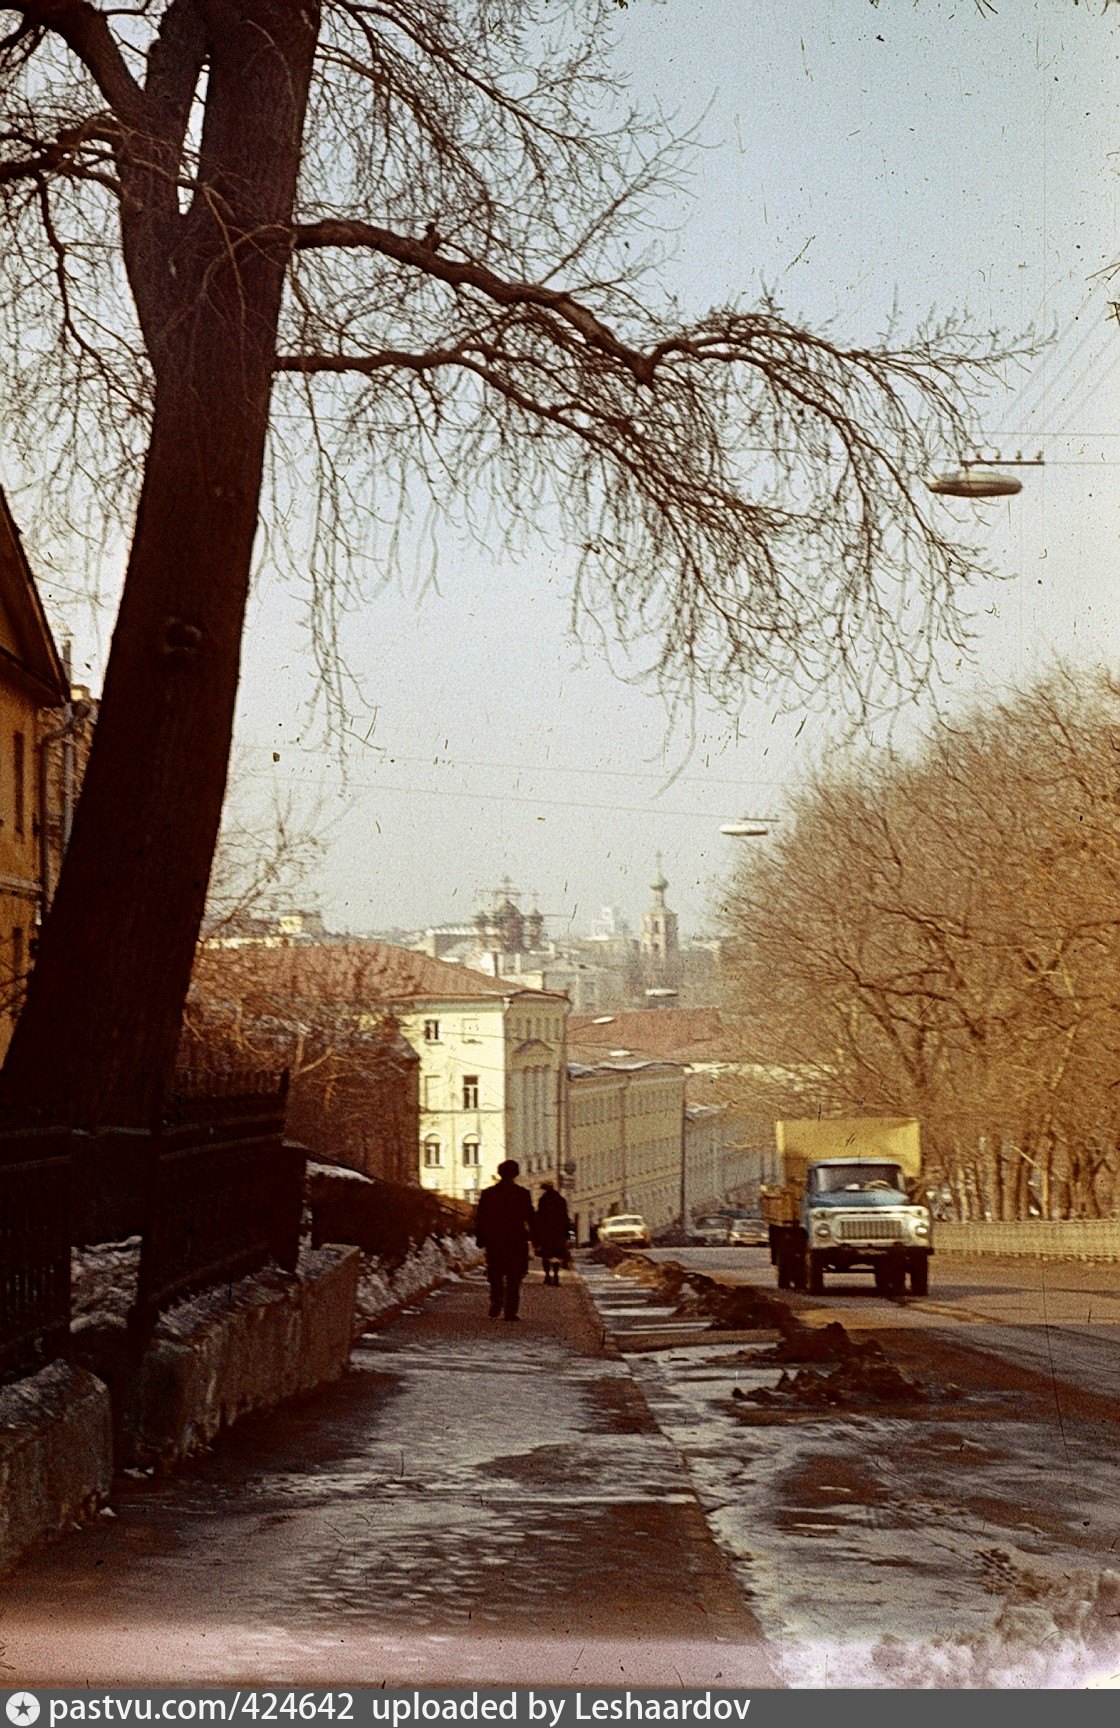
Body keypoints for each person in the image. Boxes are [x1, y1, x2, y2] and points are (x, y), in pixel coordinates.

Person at [474, 1158, 535, 1321]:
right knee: (515, 1277)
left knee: (495, 1273)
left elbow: (481, 1218)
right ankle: (511, 1311)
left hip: (495, 1240)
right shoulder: (523, 1194)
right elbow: (530, 1218)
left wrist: (480, 1238)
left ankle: (496, 1300)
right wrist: (535, 1240)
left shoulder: (488, 1194)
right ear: (516, 1174)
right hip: (516, 1241)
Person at [534, 1179, 571, 1286]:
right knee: (557, 1256)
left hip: (546, 1233)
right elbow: (565, 1217)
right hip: (559, 1233)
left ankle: (547, 1276)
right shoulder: (561, 1200)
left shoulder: (543, 1200)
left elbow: (540, 1218)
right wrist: (566, 1233)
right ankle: (556, 1275)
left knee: (546, 1255)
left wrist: (537, 1234)